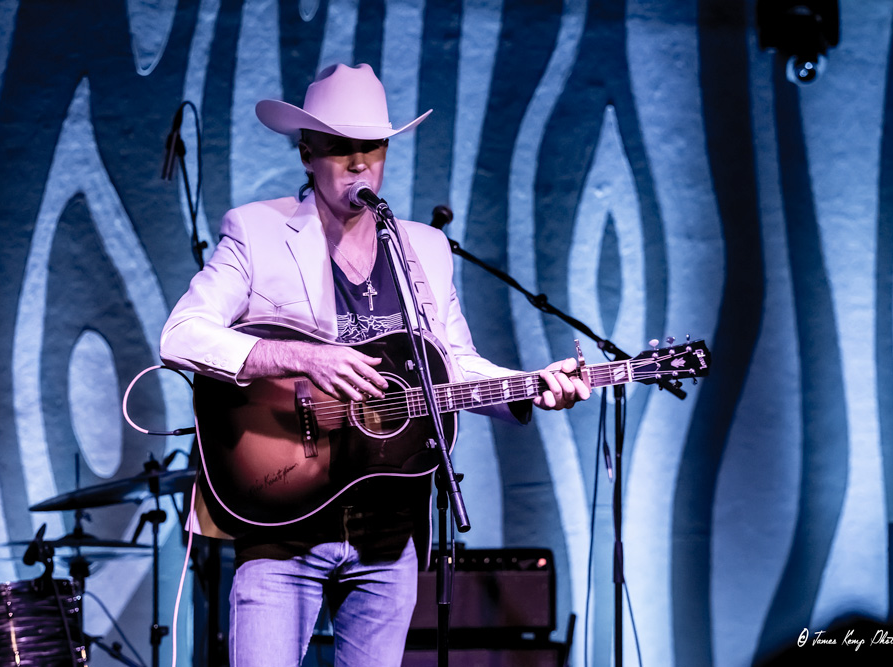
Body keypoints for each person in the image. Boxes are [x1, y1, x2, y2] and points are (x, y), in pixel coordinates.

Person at [160, 63, 590, 667]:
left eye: (372, 146)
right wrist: (302, 357)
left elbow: (453, 364)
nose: (359, 162)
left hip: (390, 531)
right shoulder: (257, 232)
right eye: (340, 147)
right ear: (307, 152)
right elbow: (181, 335)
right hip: (285, 522)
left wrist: (526, 388)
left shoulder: (424, 248)